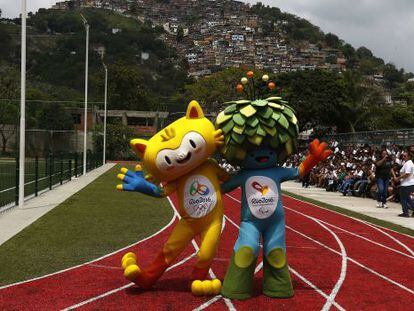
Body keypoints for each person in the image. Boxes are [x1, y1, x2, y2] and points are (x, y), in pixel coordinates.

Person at [396, 151, 414, 217]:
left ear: (409, 156)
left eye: (405, 156)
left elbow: (407, 174)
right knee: (408, 198)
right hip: (408, 183)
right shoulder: (408, 163)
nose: (403, 157)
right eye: (403, 156)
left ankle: (405, 213)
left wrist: (398, 178)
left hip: (407, 184)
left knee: (403, 199)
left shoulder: (408, 164)